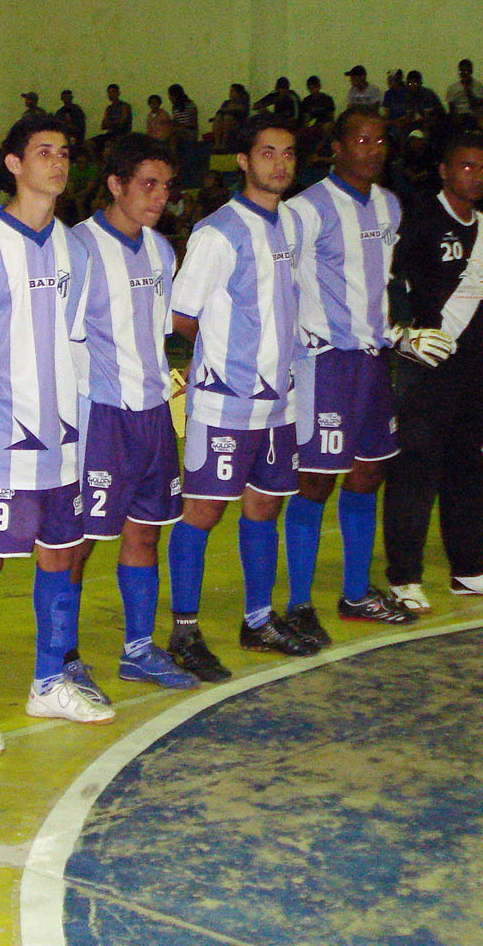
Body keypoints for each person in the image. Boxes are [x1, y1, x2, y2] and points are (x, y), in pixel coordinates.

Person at [0, 114, 115, 754]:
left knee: (59, 558)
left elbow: (76, 340)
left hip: (62, 440)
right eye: (42, 152)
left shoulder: (74, 246)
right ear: (14, 164)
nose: (56, 162)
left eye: (64, 152)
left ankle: (48, 683)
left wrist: (84, 425)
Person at [166, 115, 312, 667]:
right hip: (226, 403)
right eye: (268, 152)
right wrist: (228, 361)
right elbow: (181, 314)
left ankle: (257, 621)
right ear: (245, 161)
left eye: (289, 153)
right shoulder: (218, 231)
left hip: (280, 402)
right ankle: (184, 632)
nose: (279, 163)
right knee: (202, 511)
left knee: (264, 507)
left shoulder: (292, 225)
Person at [279, 109, 416, 646]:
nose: (372, 147)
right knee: (315, 480)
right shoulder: (305, 209)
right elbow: (282, 282)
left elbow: (378, 284)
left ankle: (356, 593)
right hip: (325, 363)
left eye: (380, 139)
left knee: (368, 473)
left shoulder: (390, 205)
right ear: (335, 147)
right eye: (360, 139)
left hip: (373, 361)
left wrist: (397, 333)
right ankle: (297, 603)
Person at [67, 134, 196, 697]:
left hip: (152, 416)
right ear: (115, 185)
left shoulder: (162, 251)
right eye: (148, 184)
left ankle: (138, 650)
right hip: (100, 417)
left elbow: (162, 331)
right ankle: (62, 659)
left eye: (166, 186)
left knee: (146, 533)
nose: (160, 196)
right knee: (77, 541)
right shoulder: (77, 249)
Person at [382, 131, 483, 612]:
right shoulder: (420, 219)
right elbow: (391, 282)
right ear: (445, 170)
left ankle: (470, 568)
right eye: (466, 166)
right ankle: (404, 575)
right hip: (427, 365)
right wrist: (404, 334)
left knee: (471, 464)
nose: (477, 176)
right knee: (415, 468)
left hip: (473, 369)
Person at [93, 84, 133, 152]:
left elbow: (122, 124)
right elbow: (103, 125)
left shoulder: (124, 106)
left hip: (122, 135)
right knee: (91, 144)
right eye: (109, 93)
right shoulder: (109, 108)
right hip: (110, 134)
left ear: (118, 93)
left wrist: (110, 123)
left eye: (113, 92)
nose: (111, 95)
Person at [210, 84, 251, 149]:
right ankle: (217, 143)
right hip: (223, 122)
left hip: (238, 124)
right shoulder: (226, 103)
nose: (230, 93)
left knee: (228, 119)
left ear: (238, 93)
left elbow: (240, 114)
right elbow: (219, 112)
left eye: (232, 91)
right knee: (217, 119)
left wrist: (228, 111)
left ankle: (224, 143)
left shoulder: (243, 102)